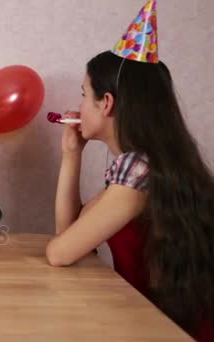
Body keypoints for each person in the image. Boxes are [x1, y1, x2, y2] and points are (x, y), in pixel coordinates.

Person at [45, 2, 213, 338]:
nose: (79, 105)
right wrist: (71, 154)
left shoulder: (139, 172)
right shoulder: (138, 164)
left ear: (106, 103)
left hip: (174, 329)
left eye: (83, 95)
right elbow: (72, 234)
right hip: (149, 320)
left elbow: (59, 252)